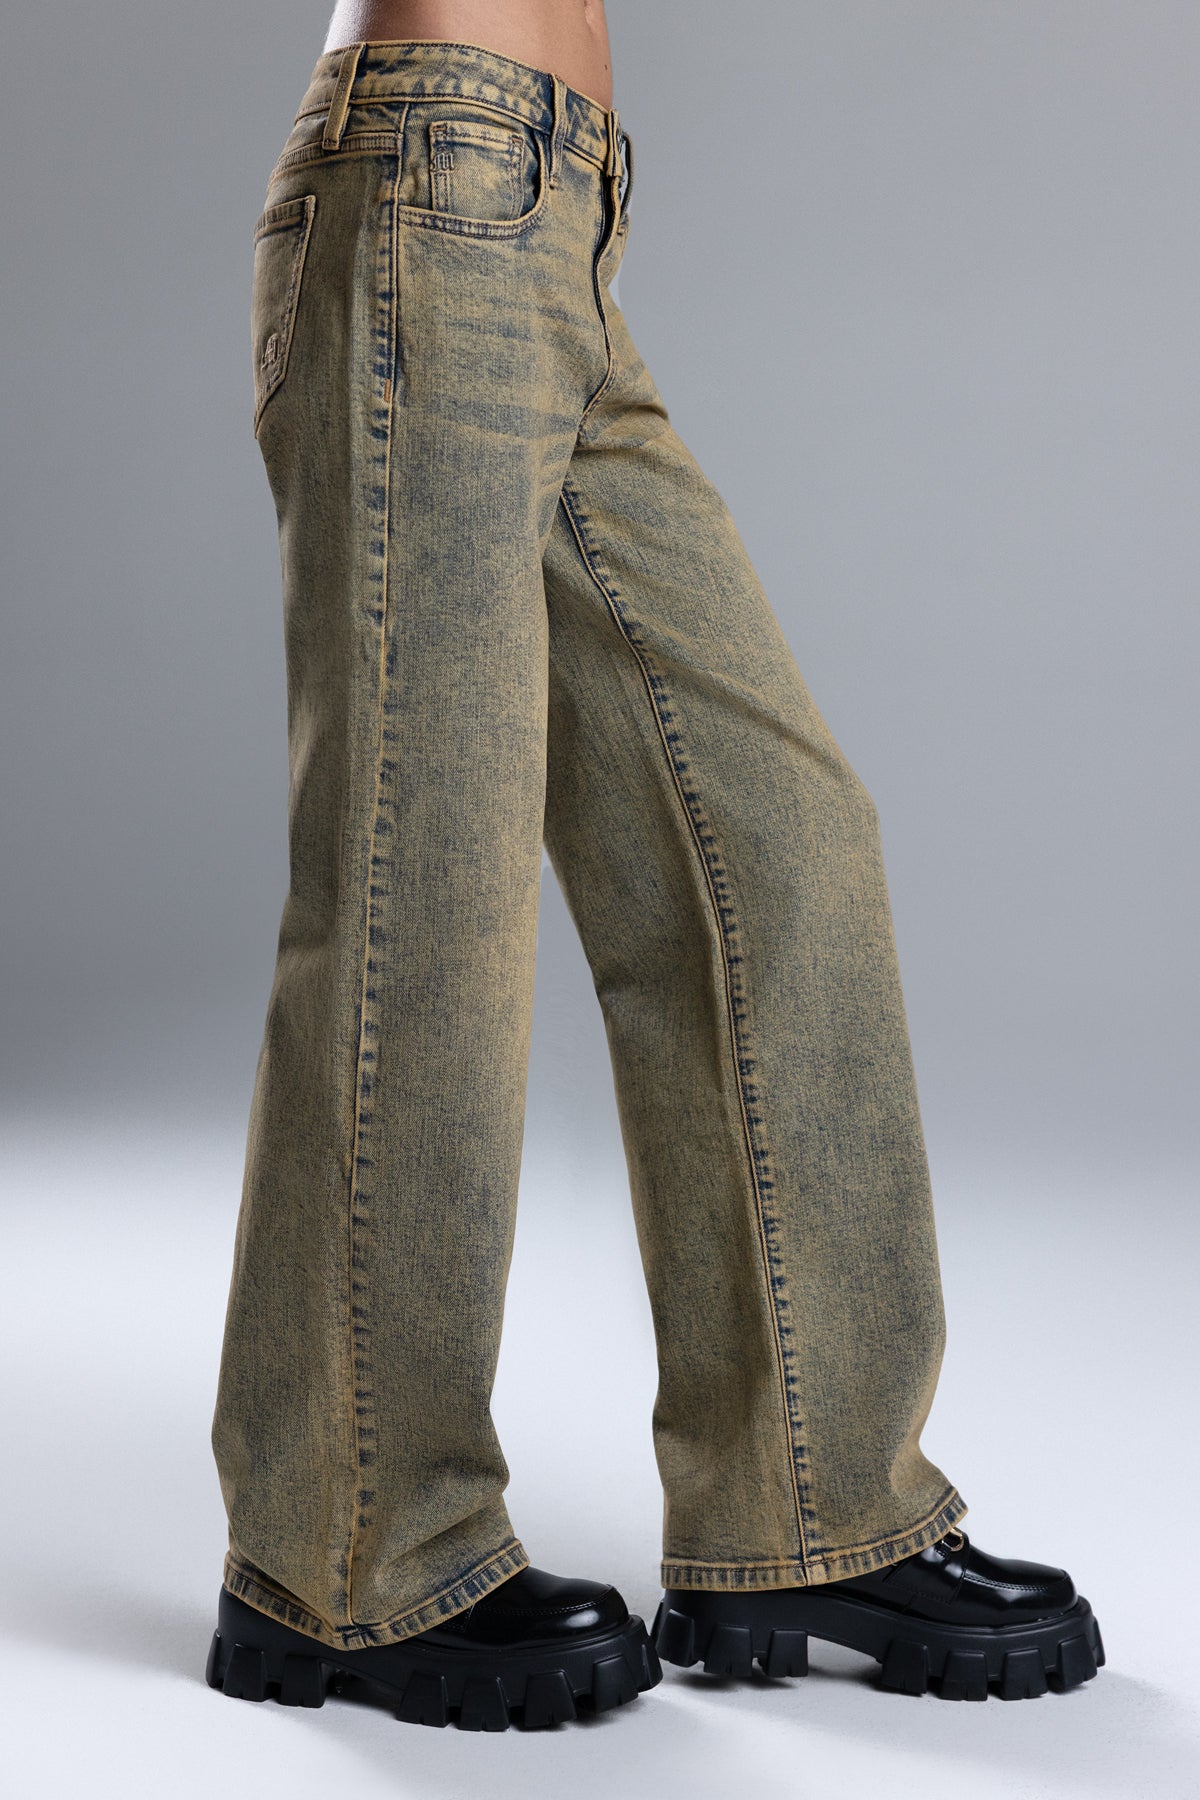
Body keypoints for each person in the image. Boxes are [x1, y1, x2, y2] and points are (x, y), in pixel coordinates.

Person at [204, 0, 1104, 1731]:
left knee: (778, 844)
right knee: (423, 896)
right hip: (432, 182)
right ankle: (349, 1554)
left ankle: (807, 1506)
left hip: (556, 227)